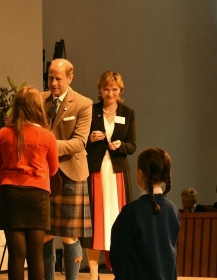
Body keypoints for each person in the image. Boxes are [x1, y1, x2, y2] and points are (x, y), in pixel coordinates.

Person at [0, 86, 59, 280]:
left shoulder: (3, 134)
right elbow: (54, 169)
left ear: (17, 106)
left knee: (16, 253)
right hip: (37, 194)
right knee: (35, 253)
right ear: (38, 107)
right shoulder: (47, 136)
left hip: (11, 194)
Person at [42, 58, 93, 280]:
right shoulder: (40, 100)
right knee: (44, 234)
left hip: (71, 174)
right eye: (50, 77)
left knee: (70, 236)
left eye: (58, 78)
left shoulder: (83, 103)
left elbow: (79, 142)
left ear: (70, 78)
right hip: (44, 175)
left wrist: (47, 144)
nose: (53, 83)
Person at [82, 70, 136, 279]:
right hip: (96, 172)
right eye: (106, 89)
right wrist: (90, 138)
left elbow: (132, 145)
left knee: (118, 220)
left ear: (120, 90)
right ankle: (93, 273)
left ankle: (119, 271)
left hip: (117, 175)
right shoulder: (91, 110)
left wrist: (121, 145)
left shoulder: (128, 112)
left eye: (114, 89)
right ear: (100, 90)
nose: (110, 93)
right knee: (95, 222)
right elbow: (79, 138)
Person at [110, 148, 180, 280]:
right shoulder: (173, 209)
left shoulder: (131, 211)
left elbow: (117, 254)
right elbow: (171, 254)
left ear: (140, 173)